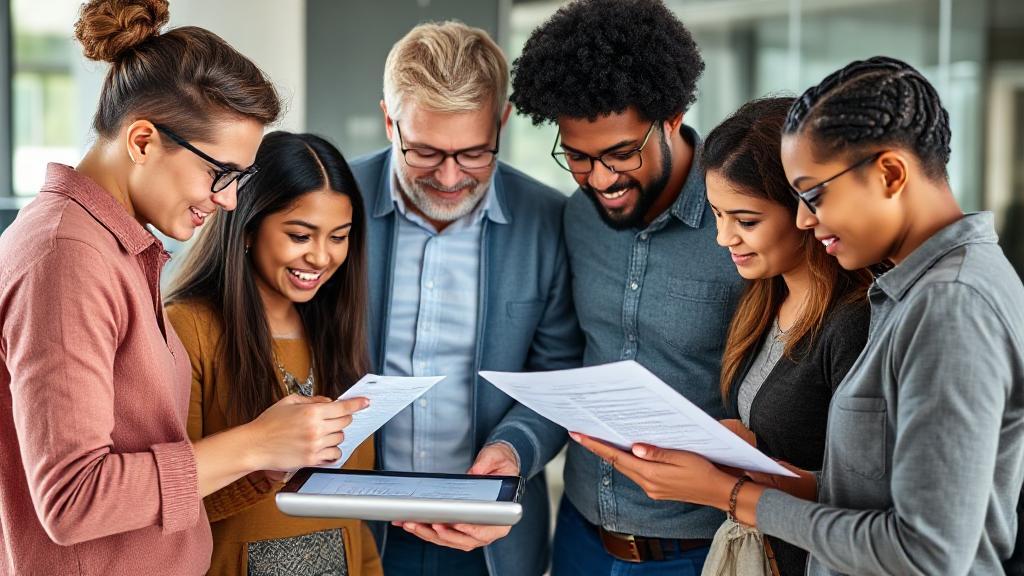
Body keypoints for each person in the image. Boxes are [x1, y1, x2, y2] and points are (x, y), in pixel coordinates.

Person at [573, 56, 1024, 576]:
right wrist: (751, 470)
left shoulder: (952, 304)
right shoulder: (919, 292)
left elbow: (925, 552)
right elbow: (874, 497)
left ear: (891, 174)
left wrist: (731, 494)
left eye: (814, 195)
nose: (806, 219)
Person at [0, 2, 354, 574]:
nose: (230, 200)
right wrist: (255, 442)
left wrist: (268, 459)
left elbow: (160, 488)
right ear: (142, 141)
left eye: (240, 179)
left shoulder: (113, 249)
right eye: (221, 173)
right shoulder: (65, 258)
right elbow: (73, 500)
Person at [510, 1, 743, 573]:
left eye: (621, 154)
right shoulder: (577, 216)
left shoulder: (744, 219)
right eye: (579, 158)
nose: (602, 179)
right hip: (581, 537)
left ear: (672, 117)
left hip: (702, 548)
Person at [349, 21, 583, 576]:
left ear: (502, 122)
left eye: (476, 153)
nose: (451, 177)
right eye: (425, 152)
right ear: (389, 121)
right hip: (353, 527)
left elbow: (556, 375)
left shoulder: (548, 222)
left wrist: (514, 451)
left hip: (493, 545)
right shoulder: (332, 204)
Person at [166, 132, 379, 575]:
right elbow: (170, 498)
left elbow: (352, 515)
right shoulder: (190, 328)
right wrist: (266, 467)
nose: (321, 257)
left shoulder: (334, 328)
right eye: (300, 235)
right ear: (247, 227)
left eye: (339, 236)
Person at [701, 96, 871, 574]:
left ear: (805, 209)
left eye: (745, 221)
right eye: (717, 213)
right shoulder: (761, 299)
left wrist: (742, 475)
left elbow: (862, 499)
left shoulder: (853, 321)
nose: (723, 237)